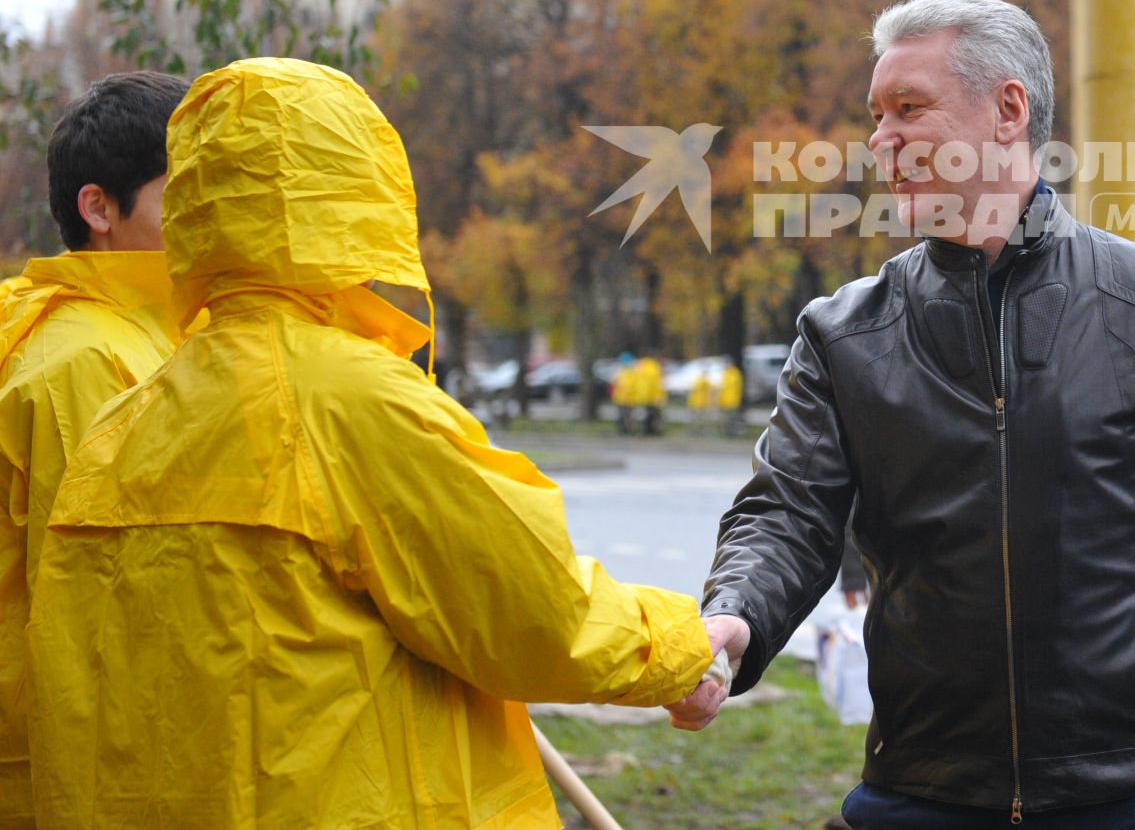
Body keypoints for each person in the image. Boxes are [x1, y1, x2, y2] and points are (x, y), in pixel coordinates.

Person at [681, 0, 1135, 829]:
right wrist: (734, 613)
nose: (880, 139)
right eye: (875, 114)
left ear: (1007, 109)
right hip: (920, 793)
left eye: (908, 108)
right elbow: (785, 514)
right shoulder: (844, 331)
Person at [27, 59, 722, 829]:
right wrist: (680, 653)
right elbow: (533, 609)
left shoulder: (127, 420)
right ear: (359, 192)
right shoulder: (351, 398)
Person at [0, 71, 189, 828]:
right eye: (188, 197)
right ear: (98, 207)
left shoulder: (145, 336)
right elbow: (109, 607)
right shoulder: (83, 363)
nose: (215, 222)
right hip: (71, 773)